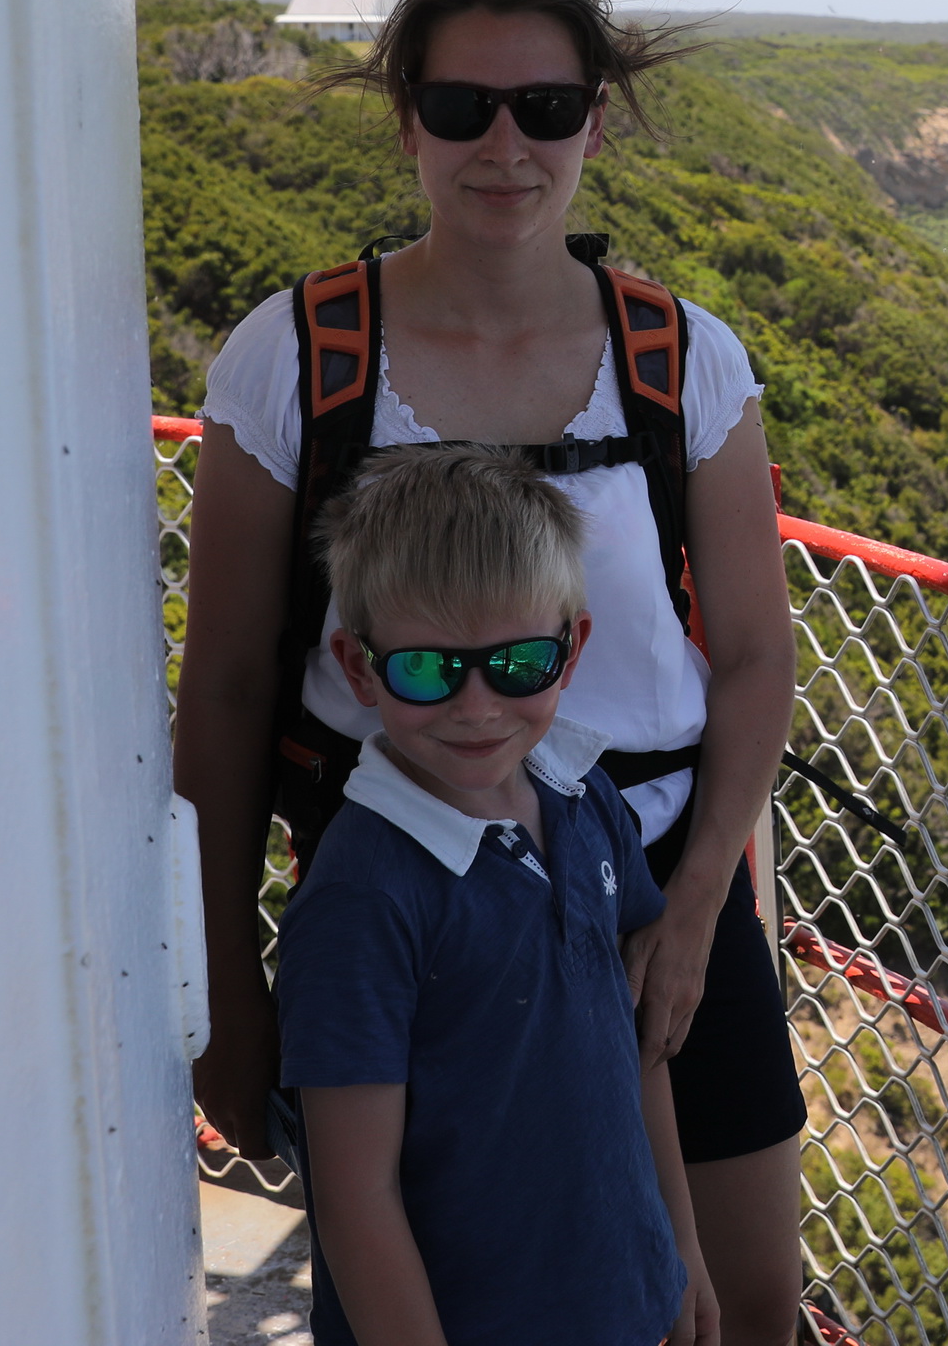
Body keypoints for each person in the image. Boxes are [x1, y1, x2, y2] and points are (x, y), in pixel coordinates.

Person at [175, 0, 803, 1341]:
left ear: (595, 121)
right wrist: (221, 984)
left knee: (744, 1304)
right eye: (463, 108)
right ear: (408, 121)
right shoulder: (297, 359)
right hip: (413, 900)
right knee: (460, 1284)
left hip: (655, 880)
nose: (505, 147)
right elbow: (223, 688)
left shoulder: (681, 360)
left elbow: (758, 656)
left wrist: (696, 906)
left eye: (546, 108)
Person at [276, 445, 718, 1346]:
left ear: (572, 649)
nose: (477, 708)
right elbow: (357, 1195)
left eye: (517, 665)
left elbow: (639, 1052)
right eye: (427, 671)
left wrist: (677, 1255)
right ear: (359, 668)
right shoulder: (363, 899)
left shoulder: (586, 801)